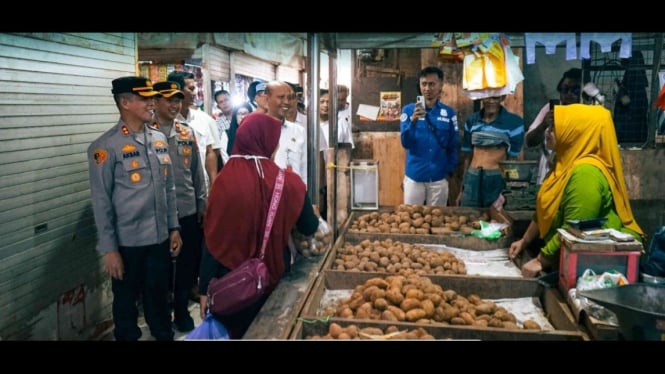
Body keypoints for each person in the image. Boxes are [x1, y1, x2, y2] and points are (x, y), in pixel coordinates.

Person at [198, 112, 319, 339]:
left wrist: (205, 288)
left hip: (231, 281)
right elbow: (310, 227)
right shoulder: (290, 183)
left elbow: (212, 240)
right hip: (274, 275)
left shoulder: (223, 182)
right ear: (268, 142)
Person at [87, 76, 182, 341]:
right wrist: (109, 250)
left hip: (160, 238)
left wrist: (174, 227)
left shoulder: (159, 139)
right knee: (126, 306)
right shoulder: (105, 147)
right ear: (125, 102)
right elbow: (101, 201)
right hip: (128, 244)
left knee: (159, 300)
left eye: (151, 97)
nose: (151, 103)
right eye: (144, 98)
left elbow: (169, 188)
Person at [508, 104, 645, 278]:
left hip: (596, 266)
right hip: (566, 256)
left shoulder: (586, 173)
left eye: (554, 129)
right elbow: (546, 211)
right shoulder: (563, 164)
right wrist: (525, 241)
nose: (547, 132)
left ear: (575, 133)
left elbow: (574, 229)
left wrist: (540, 261)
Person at [152, 81, 207, 333]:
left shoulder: (186, 132)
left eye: (178, 99)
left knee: (186, 266)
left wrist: (202, 204)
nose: (175, 104)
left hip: (186, 210)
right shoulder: (145, 132)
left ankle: (182, 311)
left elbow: (198, 172)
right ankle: (161, 317)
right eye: (169, 100)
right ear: (154, 102)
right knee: (160, 270)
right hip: (157, 216)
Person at [400, 66, 459, 207]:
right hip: (414, 177)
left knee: (437, 219)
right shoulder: (408, 111)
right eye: (424, 84)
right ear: (419, 85)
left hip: (439, 178)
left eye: (432, 84)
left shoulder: (449, 113)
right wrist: (412, 122)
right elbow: (405, 143)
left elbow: (454, 145)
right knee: (411, 219)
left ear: (440, 85)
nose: (427, 88)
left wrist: (448, 171)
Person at [457, 95, 524, 207]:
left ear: (502, 97)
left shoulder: (514, 123)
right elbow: (467, 156)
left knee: (495, 218)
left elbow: (513, 159)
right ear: (482, 97)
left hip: (496, 177)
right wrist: (462, 188)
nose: (491, 101)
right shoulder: (472, 120)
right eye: (487, 97)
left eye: (495, 98)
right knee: (468, 216)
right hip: (473, 176)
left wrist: (510, 190)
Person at [525, 68, 583, 185]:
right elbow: (529, 141)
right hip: (548, 173)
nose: (569, 94)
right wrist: (543, 125)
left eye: (575, 90)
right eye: (565, 90)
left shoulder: (588, 112)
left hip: (576, 174)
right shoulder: (550, 109)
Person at [167, 71, 223, 191]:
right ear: (178, 91)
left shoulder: (205, 119)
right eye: (191, 89)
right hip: (176, 187)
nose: (195, 93)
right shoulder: (166, 122)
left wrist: (213, 183)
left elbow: (211, 152)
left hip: (203, 186)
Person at [265, 81, 307, 186]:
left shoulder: (299, 131)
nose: (287, 102)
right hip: (266, 194)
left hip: (293, 193)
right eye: (281, 97)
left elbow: (304, 168)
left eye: (289, 98)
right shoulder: (255, 129)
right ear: (267, 99)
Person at [213, 89, 233, 168]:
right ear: (218, 106)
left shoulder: (242, 116)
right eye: (221, 102)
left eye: (226, 100)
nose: (225, 103)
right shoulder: (217, 124)